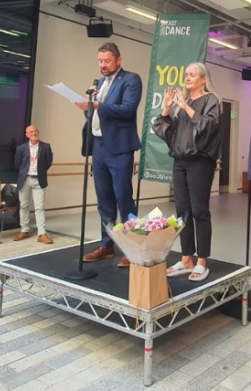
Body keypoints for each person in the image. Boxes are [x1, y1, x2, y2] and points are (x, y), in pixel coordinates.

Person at [74, 42, 142, 268]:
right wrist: (89, 109)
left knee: (123, 196)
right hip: (99, 146)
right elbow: (96, 115)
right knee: (104, 199)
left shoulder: (131, 79)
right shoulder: (100, 83)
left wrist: (97, 105)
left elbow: (128, 110)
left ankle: (132, 247)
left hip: (120, 148)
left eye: (107, 61)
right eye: (100, 61)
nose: (103, 65)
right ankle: (107, 244)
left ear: (118, 60)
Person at [152, 63, 222, 282]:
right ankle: (186, 258)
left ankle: (202, 261)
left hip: (200, 162)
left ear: (203, 79)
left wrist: (187, 108)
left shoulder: (211, 100)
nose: (187, 78)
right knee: (182, 211)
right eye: (186, 75)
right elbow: (166, 131)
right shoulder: (181, 103)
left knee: (199, 210)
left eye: (192, 75)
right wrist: (167, 108)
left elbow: (209, 127)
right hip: (180, 161)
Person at [14, 125, 54, 244]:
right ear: (26, 135)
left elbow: (48, 162)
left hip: (39, 180)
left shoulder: (45, 147)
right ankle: (24, 230)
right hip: (25, 179)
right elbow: (17, 164)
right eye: (31, 132)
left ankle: (42, 233)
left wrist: (39, 171)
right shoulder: (21, 148)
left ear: (38, 132)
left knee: (39, 207)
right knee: (24, 206)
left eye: (35, 131)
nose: (33, 133)